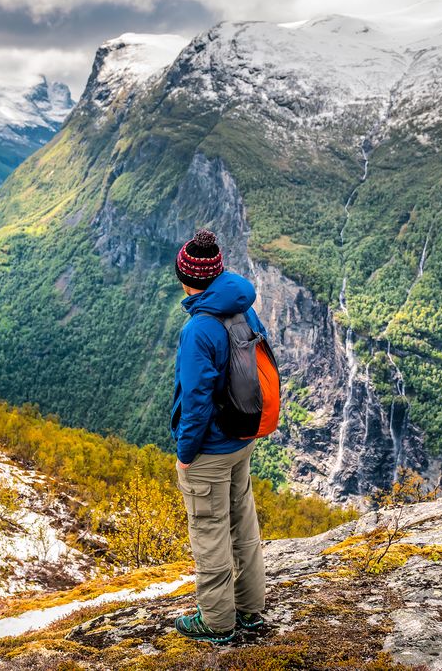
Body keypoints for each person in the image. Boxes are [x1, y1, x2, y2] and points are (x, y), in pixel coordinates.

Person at [170, 228, 267, 643]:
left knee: (209, 532)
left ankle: (216, 622)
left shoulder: (199, 330)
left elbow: (196, 401)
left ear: (185, 277)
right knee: (243, 526)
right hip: (242, 438)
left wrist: (185, 454)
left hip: (209, 449)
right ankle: (249, 609)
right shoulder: (244, 310)